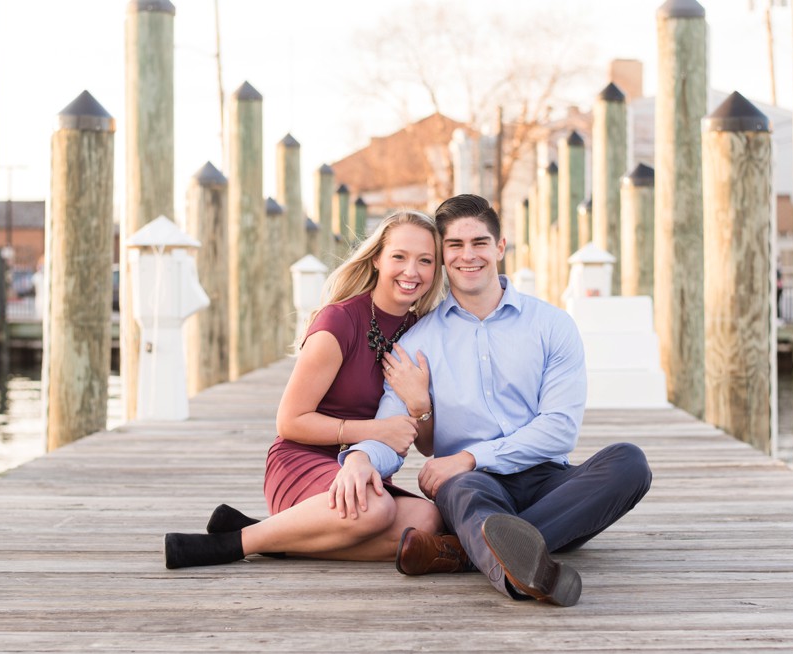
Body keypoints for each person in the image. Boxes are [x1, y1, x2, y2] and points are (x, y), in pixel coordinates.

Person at [339, 194, 652, 607]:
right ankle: (522, 569)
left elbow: (559, 429)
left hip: (547, 481)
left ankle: (460, 553)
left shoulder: (552, 326)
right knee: (463, 492)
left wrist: (469, 456)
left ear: (500, 247)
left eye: (480, 243)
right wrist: (360, 457)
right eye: (455, 245)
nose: (469, 256)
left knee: (629, 463)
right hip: (472, 488)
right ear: (443, 255)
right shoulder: (416, 343)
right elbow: (392, 429)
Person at [164, 210, 453, 569]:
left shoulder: (424, 334)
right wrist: (373, 431)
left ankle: (276, 537)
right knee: (376, 508)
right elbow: (289, 422)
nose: (412, 271)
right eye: (399, 256)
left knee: (426, 521)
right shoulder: (339, 321)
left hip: (367, 474)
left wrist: (418, 404)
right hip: (302, 462)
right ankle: (235, 543)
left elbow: (424, 444)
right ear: (377, 258)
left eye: (425, 261)